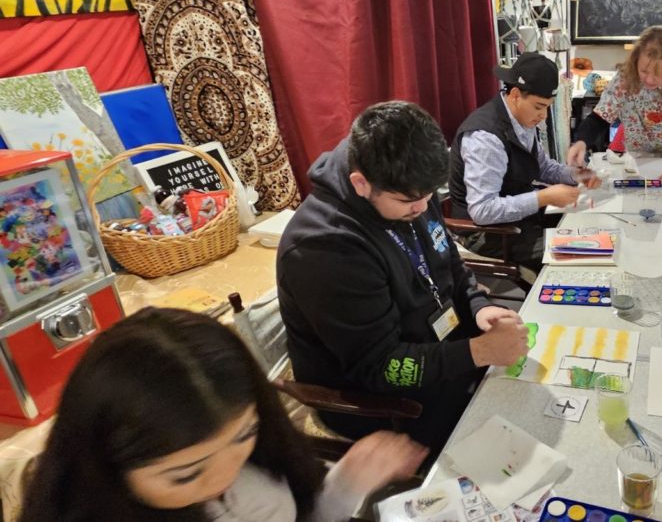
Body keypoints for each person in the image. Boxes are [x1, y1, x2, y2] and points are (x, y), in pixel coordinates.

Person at [278, 101, 528, 453]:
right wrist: (478, 352)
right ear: (361, 183)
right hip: (382, 400)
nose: (423, 208)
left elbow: (450, 264)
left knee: (529, 398)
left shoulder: (408, 189)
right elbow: (380, 367)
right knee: (508, 446)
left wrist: (478, 307)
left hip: (442, 351)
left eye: (429, 197)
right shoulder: (323, 249)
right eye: (410, 201)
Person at [20, 308, 427, 521]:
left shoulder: (259, 456)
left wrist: (346, 484)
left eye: (243, 435)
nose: (224, 479)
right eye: (185, 474)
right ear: (104, 466)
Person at [448, 52, 601, 272]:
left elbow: (543, 167)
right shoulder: (486, 137)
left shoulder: (521, 121)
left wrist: (577, 175)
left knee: (591, 231)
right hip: (488, 233)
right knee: (576, 254)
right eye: (539, 107)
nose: (544, 116)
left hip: (520, 217)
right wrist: (543, 197)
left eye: (547, 107)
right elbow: (482, 211)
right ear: (516, 94)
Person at [566, 25, 662, 163]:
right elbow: (600, 117)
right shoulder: (627, 73)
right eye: (644, 71)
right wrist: (581, 142)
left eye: (659, 74)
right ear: (637, 59)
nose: (649, 79)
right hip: (643, 152)